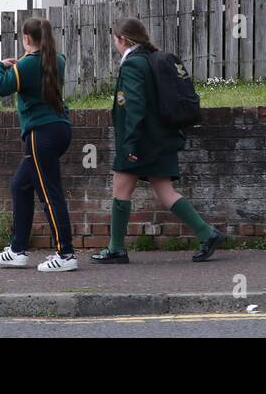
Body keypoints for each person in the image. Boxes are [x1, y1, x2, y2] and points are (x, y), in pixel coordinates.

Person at [92, 18, 224, 264]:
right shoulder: (154, 59)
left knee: (121, 188)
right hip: (163, 136)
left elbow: (133, 106)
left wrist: (129, 143)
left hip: (141, 140)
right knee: (165, 191)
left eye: (115, 40)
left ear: (123, 39)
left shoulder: (133, 64)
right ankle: (207, 233)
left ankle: (116, 249)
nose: (115, 45)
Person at [0, 17, 78, 272]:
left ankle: (66, 255)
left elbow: (1, 88)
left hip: (41, 134)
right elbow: (37, 71)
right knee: (20, 186)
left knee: (50, 194)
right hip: (59, 129)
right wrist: (24, 59)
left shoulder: (26, 65)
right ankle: (17, 250)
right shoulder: (56, 60)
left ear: (27, 38)